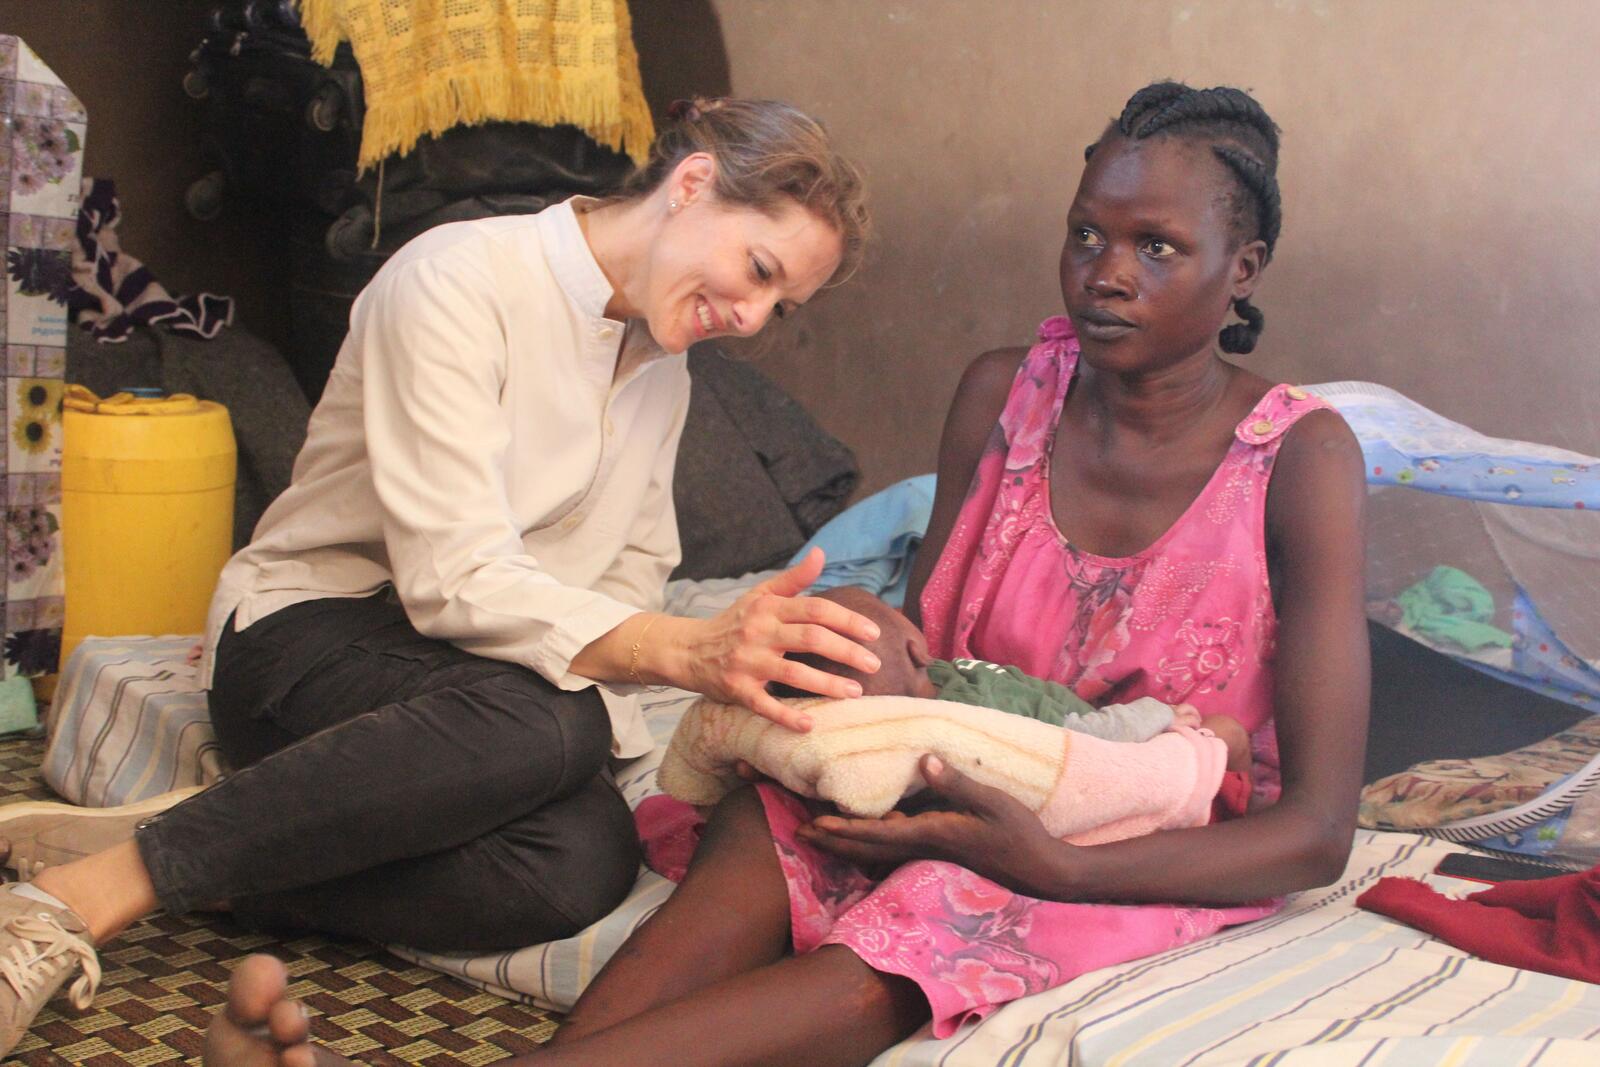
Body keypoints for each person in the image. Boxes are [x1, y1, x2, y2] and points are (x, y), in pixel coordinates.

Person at [204, 79, 1370, 1067]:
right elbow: (932, 642)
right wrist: (863, 634)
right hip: (934, 773)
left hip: (1118, 837)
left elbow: (1315, 830)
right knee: (766, 827)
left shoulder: (1299, 458)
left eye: (1156, 246)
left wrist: (1049, 856)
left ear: (1243, 265)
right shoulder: (1007, 391)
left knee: (895, 947)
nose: (1105, 273)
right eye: (1086, 235)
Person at [0, 97, 882, 1056]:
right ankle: (88, 891)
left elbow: (633, 576)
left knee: (582, 860)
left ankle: (214, 844)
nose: (750, 318)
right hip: (308, 638)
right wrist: (686, 651)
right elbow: (450, 577)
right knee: (559, 718)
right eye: (758, 270)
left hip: (470, 692)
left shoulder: (662, 372)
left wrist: (688, 672)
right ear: (695, 184)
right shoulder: (458, 279)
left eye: (779, 305)